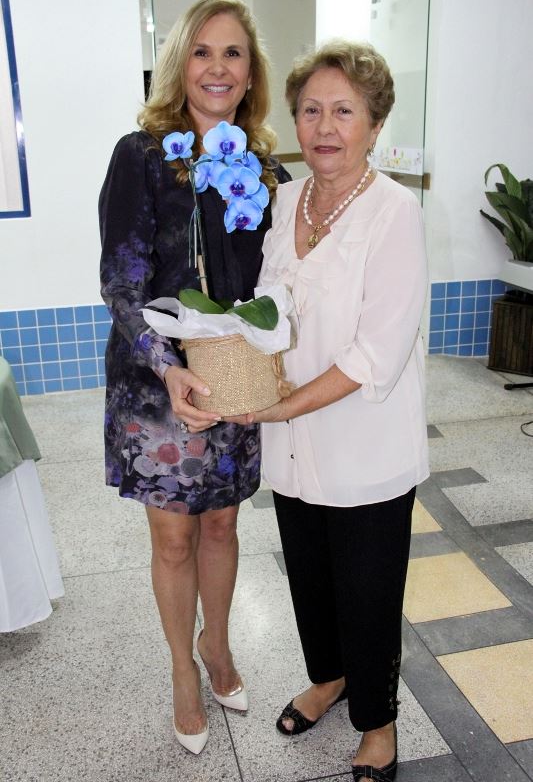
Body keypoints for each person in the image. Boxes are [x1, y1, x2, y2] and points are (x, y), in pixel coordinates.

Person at [226, 41, 428, 781]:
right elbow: (261, 311)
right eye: (310, 109)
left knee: (368, 588)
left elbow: (378, 350)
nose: (324, 125)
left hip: (363, 442)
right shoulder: (282, 201)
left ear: (374, 125)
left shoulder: (393, 211)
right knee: (309, 574)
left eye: (344, 110)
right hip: (293, 445)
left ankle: (377, 724)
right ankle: (328, 676)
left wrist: (277, 410)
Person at [99, 0, 289, 755]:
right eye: (203, 52)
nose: (217, 67)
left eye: (233, 54)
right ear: (180, 63)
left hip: (232, 377)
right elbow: (121, 278)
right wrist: (168, 367)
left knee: (222, 521)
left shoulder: (263, 166)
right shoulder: (143, 154)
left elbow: (271, 281)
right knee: (174, 537)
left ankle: (219, 646)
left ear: (250, 75)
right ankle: (183, 670)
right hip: (157, 384)